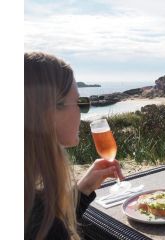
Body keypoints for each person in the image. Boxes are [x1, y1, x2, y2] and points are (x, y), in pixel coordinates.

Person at [24, 52, 125, 240]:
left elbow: (57, 221)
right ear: (48, 111)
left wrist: (82, 190)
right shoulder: (39, 224)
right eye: (79, 102)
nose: (82, 111)